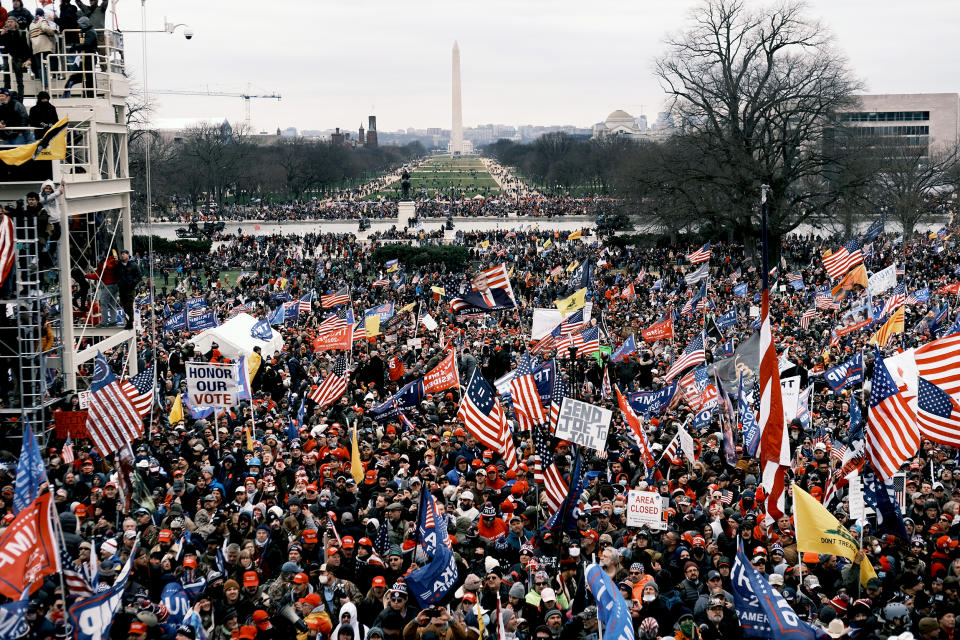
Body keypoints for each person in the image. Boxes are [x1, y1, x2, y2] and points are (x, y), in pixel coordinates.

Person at [86, 250, 119, 326]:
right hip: (116, 285)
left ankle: (104, 322)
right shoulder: (116, 262)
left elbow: (97, 276)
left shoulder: (102, 263)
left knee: (103, 302)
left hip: (107, 285)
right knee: (112, 304)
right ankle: (113, 321)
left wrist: (86, 276)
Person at [0, 16, 30, 99]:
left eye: (11, 21)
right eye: (8, 21)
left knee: (19, 81)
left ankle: (20, 100)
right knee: (6, 80)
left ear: (15, 23)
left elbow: (26, 48)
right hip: (7, 59)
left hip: (18, 59)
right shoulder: (5, 33)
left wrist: (28, 59)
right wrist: (1, 34)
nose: (9, 23)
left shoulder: (21, 33)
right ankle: (6, 98)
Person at [29, 12, 58, 89]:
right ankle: (53, 76)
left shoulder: (31, 23)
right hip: (45, 46)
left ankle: (45, 86)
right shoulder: (42, 20)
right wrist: (54, 31)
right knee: (53, 61)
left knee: (40, 67)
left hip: (36, 48)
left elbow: (28, 36)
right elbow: (45, 28)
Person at [116, 249, 141, 330]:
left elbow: (139, 276)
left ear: (128, 255)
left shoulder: (133, 264)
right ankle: (128, 321)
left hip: (130, 289)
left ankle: (130, 322)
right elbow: (115, 274)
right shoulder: (119, 264)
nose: (122, 255)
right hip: (122, 288)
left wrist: (132, 283)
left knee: (129, 305)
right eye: (121, 254)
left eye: (124, 254)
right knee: (124, 305)